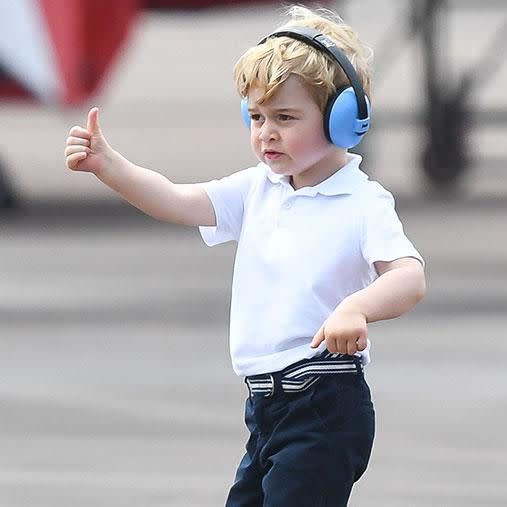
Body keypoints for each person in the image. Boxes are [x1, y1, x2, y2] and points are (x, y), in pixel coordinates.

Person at [65, 5, 426, 506]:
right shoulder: (259, 188)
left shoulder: (362, 202)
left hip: (325, 404)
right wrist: (110, 166)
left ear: (343, 119)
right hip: (265, 407)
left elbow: (408, 277)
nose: (266, 133)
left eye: (285, 117)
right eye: (256, 117)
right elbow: (177, 199)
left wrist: (357, 307)